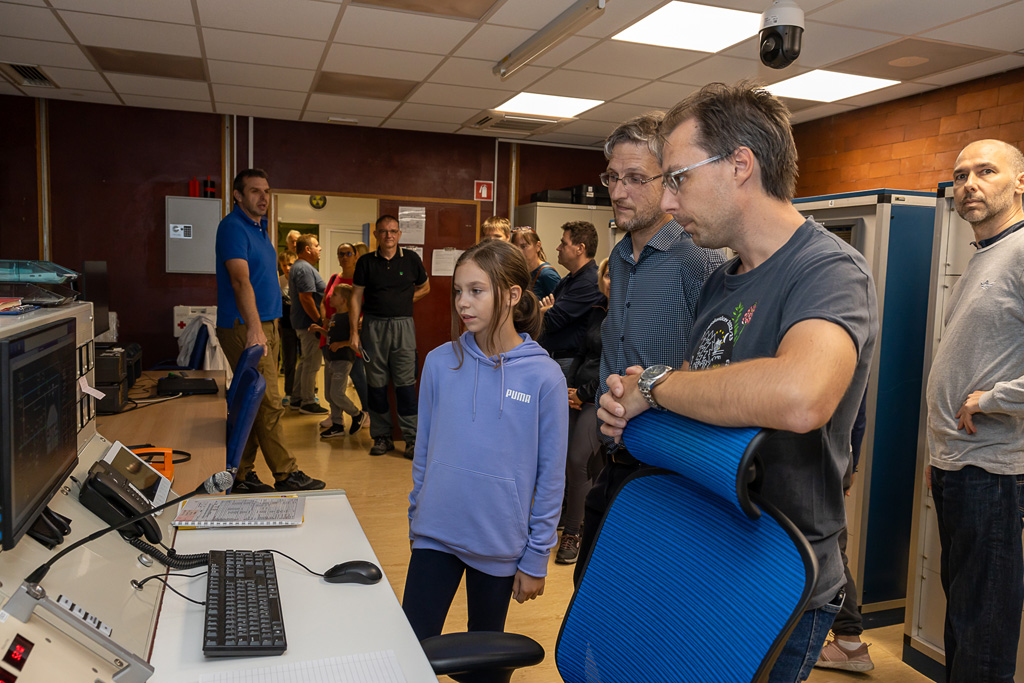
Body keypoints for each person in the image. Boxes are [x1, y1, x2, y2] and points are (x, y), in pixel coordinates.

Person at [597, 83, 877, 683]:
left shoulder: (828, 268)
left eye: (678, 178)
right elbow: (707, 404)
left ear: (740, 165)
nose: (667, 200)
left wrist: (657, 385)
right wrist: (640, 407)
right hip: (710, 549)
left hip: (780, 571)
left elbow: (801, 396)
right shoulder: (721, 280)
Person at [574, 111, 724, 585]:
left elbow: (715, 369)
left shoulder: (698, 258)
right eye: (613, 177)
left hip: (667, 470)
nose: (619, 192)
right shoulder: (619, 257)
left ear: (670, 180)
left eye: (636, 179)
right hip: (614, 456)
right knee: (588, 589)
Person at [402, 239, 568, 640]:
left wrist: (537, 557)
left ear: (512, 295)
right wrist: (415, 516)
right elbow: (424, 451)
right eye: (459, 291)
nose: (463, 302)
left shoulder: (544, 377)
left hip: (499, 545)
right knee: (411, 648)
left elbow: (551, 478)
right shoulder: (439, 362)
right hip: (434, 534)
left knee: (486, 662)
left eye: (476, 291)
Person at [926, 139, 1024, 683]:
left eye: (986, 171)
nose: (969, 185)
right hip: (959, 465)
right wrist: (939, 452)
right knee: (964, 618)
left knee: (982, 631)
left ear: (1020, 182)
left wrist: (991, 400)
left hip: (994, 470)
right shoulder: (987, 254)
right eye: (961, 175)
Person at [214, 168, 325, 493]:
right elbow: (240, 281)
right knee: (269, 403)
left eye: (266, 191)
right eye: (254, 191)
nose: (263, 197)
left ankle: (241, 474)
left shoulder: (260, 229)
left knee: (254, 404)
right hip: (246, 326)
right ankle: (286, 473)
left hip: (268, 325)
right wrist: (254, 329)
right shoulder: (233, 227)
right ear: (238, 195)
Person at [350, 215, 430, 458]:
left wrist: (404, 300)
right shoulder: (365, 262)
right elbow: (355, 297)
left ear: (399, 234)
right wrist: (354, 332)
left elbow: (425, 287)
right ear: (376, 234)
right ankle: (382, 437)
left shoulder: (411, 259)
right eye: (384, 231)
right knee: (376, 386)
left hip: (403, 327)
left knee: (406, 386)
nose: (389, 235)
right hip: (373, 327)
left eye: (393, 231)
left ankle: (412, 439)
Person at [816, 390, 874, 672]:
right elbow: (858, 415)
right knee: (829, 548)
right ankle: (848, 639)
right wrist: (852, 463)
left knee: (828, 550)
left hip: (818, 455)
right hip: (835, 453)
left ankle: (849, 641)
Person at [557, 257, 609, 565]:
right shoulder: (597, 309)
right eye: (607, 275)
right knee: (572, 461)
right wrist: (569, 387)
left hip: (600, 396)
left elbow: (614, 363)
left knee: (579, 461)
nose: (610, 280)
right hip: (577, 393)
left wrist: (584, 393)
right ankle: (580, 521)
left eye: (616, 275)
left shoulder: (629, 314)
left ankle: (573, 534)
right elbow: (582, 352)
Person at [539, 221, 603, 377]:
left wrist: (545, 311)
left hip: (568, 361)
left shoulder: (589, 282)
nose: (558, 248)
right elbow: (545, 312)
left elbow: (551, 320)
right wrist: (545, 310)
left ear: (580, 248)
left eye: (563, 243)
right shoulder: (570, 279)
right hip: (555, 358)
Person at [322, 242, 368, 434]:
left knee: (357, 376)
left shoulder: (362, 279)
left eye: (348, 253)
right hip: (332, 332)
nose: (344, 257)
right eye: (341, 253)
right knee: (331, 382)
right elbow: (324, 301)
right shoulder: (335, 278)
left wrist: (361, 320)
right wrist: (324, 320)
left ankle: (365, 412)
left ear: (356, 256)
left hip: (351, 336)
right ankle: (336, 419)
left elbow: (370, 304)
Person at [311, 284, 365, 439]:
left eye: (334, 294)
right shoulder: (334, 316)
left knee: (336, 393)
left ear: (344, 300)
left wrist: (342, 344)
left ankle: (357, 414)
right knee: (329, 395)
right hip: (331, 359)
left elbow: (355, 341)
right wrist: (320, 330)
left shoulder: (351, 318)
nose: (330, 296)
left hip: (343, 360)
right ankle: (337, 425)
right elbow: (331, 336)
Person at [288, 233, 327, 415]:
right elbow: (306, 298)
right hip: (309, 324)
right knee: (312, 364)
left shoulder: (301, 267)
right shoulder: (303, 268)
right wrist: (319, 321)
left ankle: (297, 399)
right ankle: (308, 402)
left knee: (305, 362)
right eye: (317, 245)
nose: (320, 249)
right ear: (307, 249)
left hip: (304, 323)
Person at [511, 227, 560, 299]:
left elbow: (562, 303)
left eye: (523, 246)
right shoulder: (520, 271)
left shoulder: (547, 274)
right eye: (515, 247)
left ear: (538, 246)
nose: (519, 251)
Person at [277, 250, 298, 407]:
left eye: (290, 264)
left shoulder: (301, 279)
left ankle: (311, 391)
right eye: (284, 265)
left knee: (307, 361)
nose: (287, 268)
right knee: (289, 360)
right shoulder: (279, 281)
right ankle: (289, 392)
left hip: (302, 324)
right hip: (286, 325)